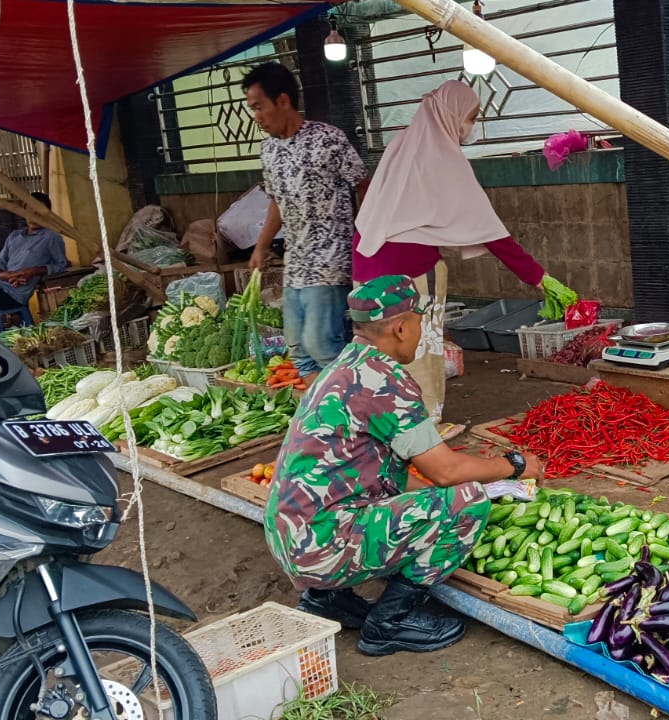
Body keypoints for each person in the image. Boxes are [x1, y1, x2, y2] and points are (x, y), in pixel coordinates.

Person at [266, 275, 545, 656]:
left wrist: (436, 503)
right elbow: (445, 470)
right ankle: (391, 621)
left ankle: (325, 599)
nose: (421, 330)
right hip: (323, 546)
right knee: (469, 503)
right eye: (419, 321)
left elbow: (381, 474)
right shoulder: (384, 380)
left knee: (441, 498)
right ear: (400, 327)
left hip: (290, 539)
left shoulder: (341, 368)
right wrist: (513, 464)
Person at [354, 80, 571, 422]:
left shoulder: (401, 144)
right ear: (450, 114)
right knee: (417, 350)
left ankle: (376, 423)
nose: (471, 125)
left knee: (377, 352)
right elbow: (490, 231)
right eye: (471, 116)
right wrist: (540, 278)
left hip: (364, 267)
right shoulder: (441, 156)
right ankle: (422, 428)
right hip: (409, 273)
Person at [243, 62, 368, 381]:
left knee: (322, 345)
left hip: (330, 261)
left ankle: (358, 403)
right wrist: (261, 247)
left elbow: (363, 184)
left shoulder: (328, 138)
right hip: (295, 263)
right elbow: (277, 201)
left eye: (259, 107)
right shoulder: (268, 150)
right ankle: (322, 409)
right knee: (299, 351)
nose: (257, 117)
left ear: (283, 101)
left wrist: (366, 238)